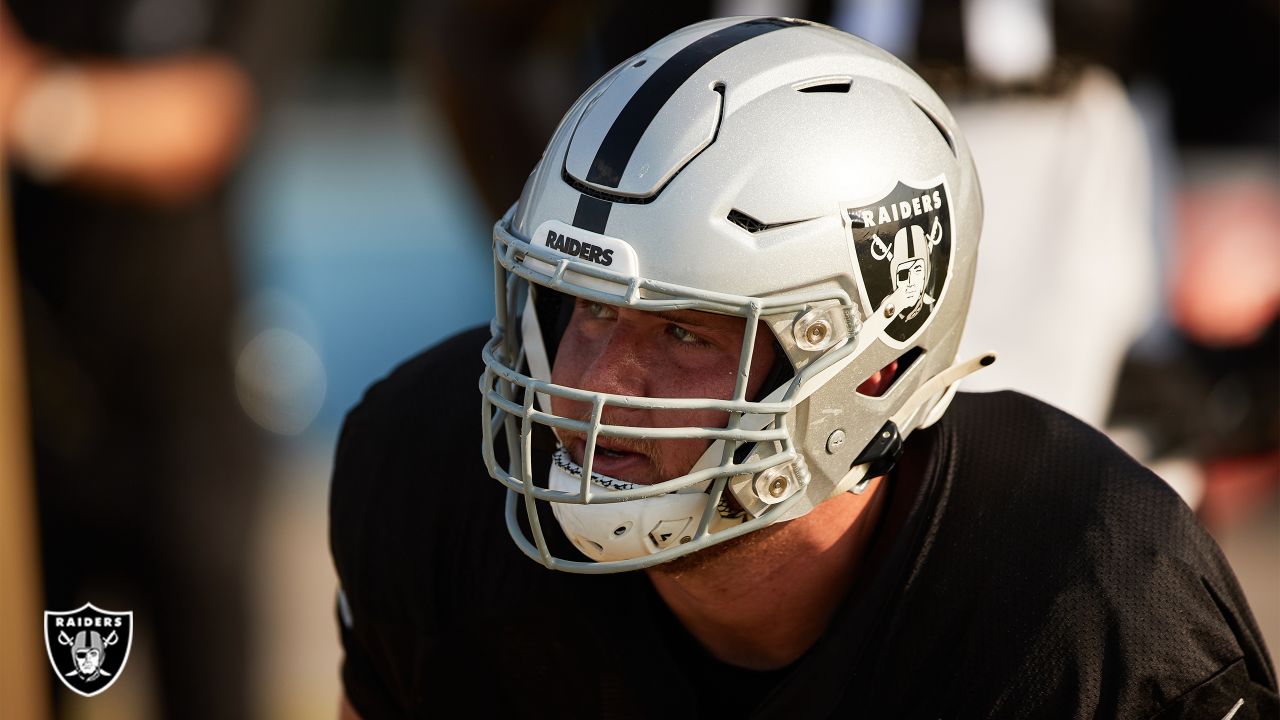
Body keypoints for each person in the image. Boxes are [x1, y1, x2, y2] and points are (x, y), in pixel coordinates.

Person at [330, 17, 1278, 718]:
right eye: (582, 309)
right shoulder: (427, 482)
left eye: (684, 334)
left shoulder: (1090, 613)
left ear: (870, 375)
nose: (593, 385)